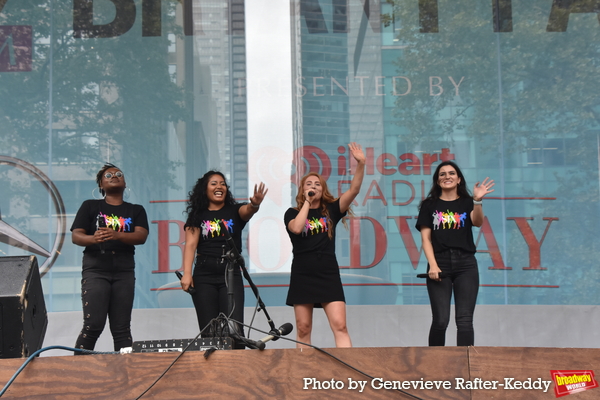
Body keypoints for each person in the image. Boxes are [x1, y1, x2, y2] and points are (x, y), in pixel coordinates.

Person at [284, 142, 366, 348]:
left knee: (340, 325)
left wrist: (361, 163)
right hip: (303, 272)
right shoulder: (292, 212)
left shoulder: (332, 209)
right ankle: (305, 374)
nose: (313, 187)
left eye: (317, 184)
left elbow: (354, 190)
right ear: (302, 190)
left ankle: (347, 374)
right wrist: (307, 203)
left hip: (327, 272)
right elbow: (296, 228)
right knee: (303, 328)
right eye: (308, 184)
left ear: (324, 189)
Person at [180, 171, 267, 347]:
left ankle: (237, 370)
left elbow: (247, 210)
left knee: (234, 329)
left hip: (230, 271)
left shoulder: (234, 211)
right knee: (209, 330)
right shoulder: (198, 214)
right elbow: (190, 245)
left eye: (222, 183)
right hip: (204, 273)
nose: (219, 186)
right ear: (205, 189)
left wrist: (255, 204)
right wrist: (187, 273)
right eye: (214, 183)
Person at [71, 163, 149, 353]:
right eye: (108, 175)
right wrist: (93, 238)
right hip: (96, 269)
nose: (114, 176)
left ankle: (124, 376)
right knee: (93, 325)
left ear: (125, 183)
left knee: (122, 329)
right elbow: (76, 236)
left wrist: (117, 235)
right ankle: (78, 371)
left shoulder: (136, 210)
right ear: (100, 185)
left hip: (124, 270)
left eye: (118, 174)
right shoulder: (90, 206)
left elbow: (141, 236)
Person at [415, 161, 494, 346]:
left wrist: (477, 200)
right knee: (441, 320)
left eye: (451, 173)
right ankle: (434, 367)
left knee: (465, 321)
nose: (447, 177)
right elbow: (426, 239)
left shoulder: (468, 202)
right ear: (437, 180)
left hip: (465, 264)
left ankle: (466, 369)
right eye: (442, 174)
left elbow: (477, 222)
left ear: (458, 179)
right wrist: (433, 265)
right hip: (439, 262)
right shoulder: (429, 205)